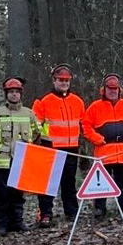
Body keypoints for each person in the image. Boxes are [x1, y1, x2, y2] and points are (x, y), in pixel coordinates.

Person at [32, 63, 85, 227]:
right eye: (61, 80)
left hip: (72, 148)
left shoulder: (77, 101)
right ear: (54, 81)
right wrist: (42, 142)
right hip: (51, 148)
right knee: (48, 184)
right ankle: (46, 213)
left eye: (66, 81)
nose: (64, 83)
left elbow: (84, 124)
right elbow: (34, 126)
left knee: (69, 183)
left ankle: (72, 212)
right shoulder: (43, 102)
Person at [0, 77, 42, 235]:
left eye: (16, 92)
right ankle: (1, 224)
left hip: (21, 161)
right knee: (2, 194)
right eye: (11, 92)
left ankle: (17, 222)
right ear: (6, 94)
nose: (14, 95)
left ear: (21, 94)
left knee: (18, 194)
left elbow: (37, 133)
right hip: (1, 162)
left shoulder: (29, 114)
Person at [82, 73, 123, 217]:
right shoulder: (95, 107)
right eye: (110, 88)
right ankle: (99, 209)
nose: (113, 91)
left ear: (120, 90)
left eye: (115, 88)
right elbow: (85, 126)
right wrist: (96, 138)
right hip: (103, 152)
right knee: (100, 183)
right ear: (104, 89)